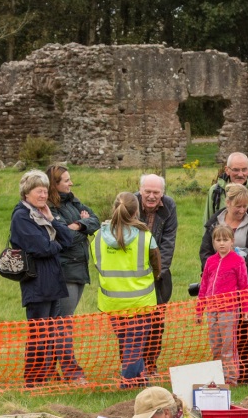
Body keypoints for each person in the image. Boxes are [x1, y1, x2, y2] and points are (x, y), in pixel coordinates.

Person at [10, 169, 76, 387]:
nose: (43, 196)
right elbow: (41, 247)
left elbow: (68, 239)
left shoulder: (43, 213)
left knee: (49, 334)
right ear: (27, 193)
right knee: (38, 335)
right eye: (39, 191)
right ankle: (34, 379)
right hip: (36, 283)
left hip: (53, 282)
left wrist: (51, 219)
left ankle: (46, 374)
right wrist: (55, 245)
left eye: (45, 191)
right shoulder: (21, 216)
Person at [200, 183, 248, 384]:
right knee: (219, 339)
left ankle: (246, 374)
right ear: (227, 203)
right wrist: (219, 269)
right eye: (238, 205)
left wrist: (236, 267)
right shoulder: (215, 223)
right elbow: (205, 253)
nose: (242, 210)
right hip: (218, 292)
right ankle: (219, 376)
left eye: (245, 206)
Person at [92, 192, 160, 387]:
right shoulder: (145, 236)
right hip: (141, 301)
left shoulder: (98, 237)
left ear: (114, 209)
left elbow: (98, 263)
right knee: (134, 345)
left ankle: (141, 380)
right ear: (136, 211)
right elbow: (156, 265)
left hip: (113, 302)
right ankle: (128, 383)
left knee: (128, 343)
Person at [46, 163, 100, 382]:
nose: (71, 183)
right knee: (63, 325)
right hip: (64, 270)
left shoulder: (73, 201)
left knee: (62, 323)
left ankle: (52, 369)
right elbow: (63, 239)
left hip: (79, 269)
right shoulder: (50, 208)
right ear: (55, 184)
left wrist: (78, 224)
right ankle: (71, 371)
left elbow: (95, 221)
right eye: (66, 180)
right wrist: (82, 225)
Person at [197, 224, 248, 385]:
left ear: (232, 241)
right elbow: (204, 286)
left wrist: (246, 308)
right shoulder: (210, 261)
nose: (222, 243)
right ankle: (218, 377)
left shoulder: (238, 261)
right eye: (218, 240)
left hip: (229, 310)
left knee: (228, 346)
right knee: (216, 345)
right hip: (212, 309)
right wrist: (199, 310)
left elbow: (244, 286)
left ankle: (231, 379)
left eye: (225, 240)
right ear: (213, 242)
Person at [135, 174, 178, 374]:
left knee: (156, 322)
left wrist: (157, 271)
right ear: (140, 190)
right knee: (132, 322)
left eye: (156, 193)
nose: (151, 196)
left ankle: (151, 364)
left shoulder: (169, 206)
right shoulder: (130, 203)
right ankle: (132, 364)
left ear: (162, 193)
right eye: (148, 192)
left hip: (159, 273)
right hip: (133, 272)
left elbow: (168, 242)